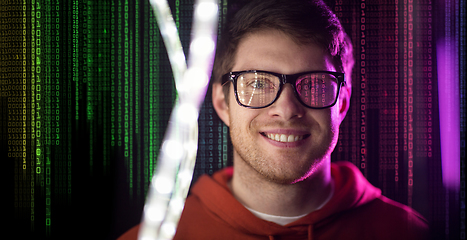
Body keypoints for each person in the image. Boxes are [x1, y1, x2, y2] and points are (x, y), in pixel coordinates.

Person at [119, 0, 429, 239]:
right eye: (257, 83)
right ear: (221, 104)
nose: (286, 108)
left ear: (343, 103)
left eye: (315, 84)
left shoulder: (408, 232)